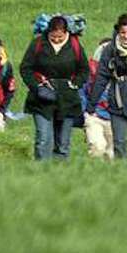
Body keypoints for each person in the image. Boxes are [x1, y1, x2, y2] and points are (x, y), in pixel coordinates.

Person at [20, 15, 90, 161]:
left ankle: (58, 176)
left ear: (66, 32)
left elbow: (84, 70)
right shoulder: (38, 43)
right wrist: (36, 86)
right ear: (48, 32)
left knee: (63, 144)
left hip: (68, 100)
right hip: (41, 99)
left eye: (60, 36)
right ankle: (41, 174)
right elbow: (25, 68)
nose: (57, 39)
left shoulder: (75, 45)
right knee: (43, 139)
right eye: (53, 37)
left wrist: (75, 83)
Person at [86, 13, 127, 160]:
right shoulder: (110, 50)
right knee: (119, 143)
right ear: (118, 32)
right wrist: (91, 105)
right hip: (118, 101)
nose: (126, 36)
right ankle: (120, 174)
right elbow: (101, 77)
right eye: (123, 32)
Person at [83, 39, 114, 160]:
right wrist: (86, 111)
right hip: (94, 115)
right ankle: (94, 173)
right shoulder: (90, 74)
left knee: (112, 152)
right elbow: (82, 92)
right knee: (97, 146)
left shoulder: (122, 73)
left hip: (115, 117)